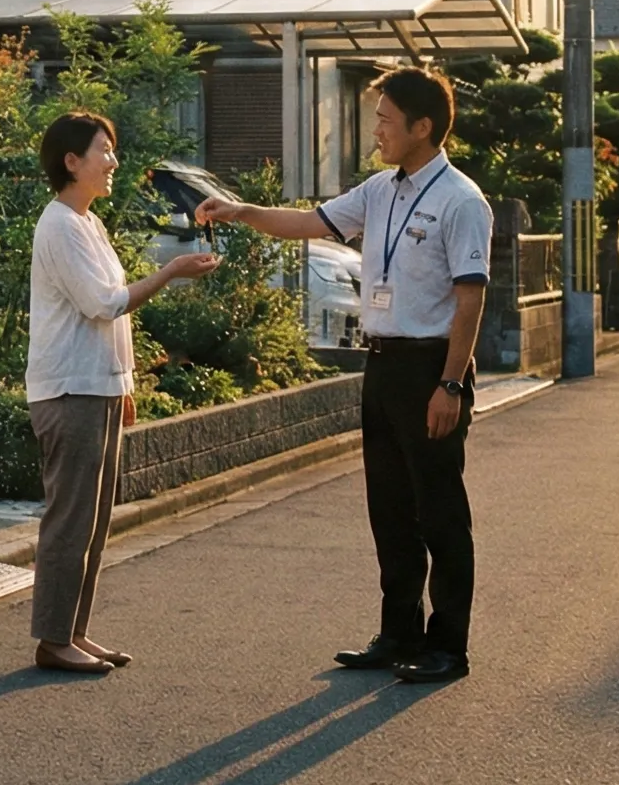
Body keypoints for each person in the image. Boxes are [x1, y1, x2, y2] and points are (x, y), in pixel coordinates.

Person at [196, 68, 492, 684]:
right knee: (389, 508)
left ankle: (448, 646)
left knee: (440, 512)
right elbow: (309, 223)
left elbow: (470, 301)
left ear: (423, 127)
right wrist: (241, 210)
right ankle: (397, 631)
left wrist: (452, 384)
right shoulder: (381, 190)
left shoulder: (461, 200)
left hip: (431, 367)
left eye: (386, 119)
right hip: (381, 364)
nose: (376, 129)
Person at [28, 110, 219, 674]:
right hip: (69, 390)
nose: (113, 162)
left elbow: (112, 316)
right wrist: (172, 271)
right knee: (71, 519)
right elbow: (104, 304)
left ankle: (72, 633)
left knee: (94, 518)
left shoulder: (86, 222)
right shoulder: (60, 224)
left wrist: (123, 383)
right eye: (103, 151)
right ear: (71, 162)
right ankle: (53, 639)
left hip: (96, 387)